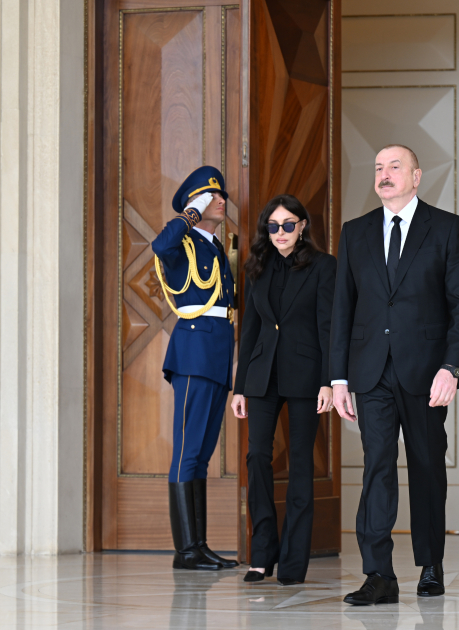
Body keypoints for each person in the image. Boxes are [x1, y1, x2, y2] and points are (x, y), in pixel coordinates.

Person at [330, 145, 459, 605]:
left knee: (427, 466)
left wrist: (452, 367)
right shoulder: (354, 232)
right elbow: (342, 308)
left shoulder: (448, 228)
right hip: (370, 372)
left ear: (416, 176)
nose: (384, 174)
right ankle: (379, 574)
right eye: (378, 167)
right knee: (376, 465)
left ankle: (431, 564)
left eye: (395, 167)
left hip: (427, 371)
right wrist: (338, 379)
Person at [231, 194, 337, 585]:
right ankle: (261, 554)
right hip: (262, 376)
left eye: (288, 225)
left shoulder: (324, 266)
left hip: (307, 375)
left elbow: (328, 327)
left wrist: (329, 380)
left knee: (300, 464)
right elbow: (251, 328)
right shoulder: (256, 266)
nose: (280, 233)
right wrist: (239, 387)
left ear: (302, 226)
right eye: (273, 226)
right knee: (257, 456)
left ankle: (293, 562)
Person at [151, 166, 239, 571]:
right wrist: (190, 213)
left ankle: (198, 545)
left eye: (220, 195)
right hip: (193, 353)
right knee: (188, 451)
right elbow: (160, 244)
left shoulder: (216, 247)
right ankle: (185, 550)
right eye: (211, 196)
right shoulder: (182, 242)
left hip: (216, 352)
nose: (221, 200)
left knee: (201, 454)